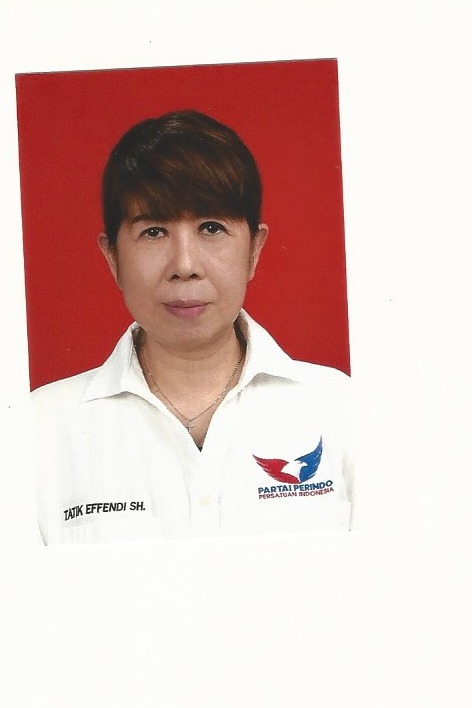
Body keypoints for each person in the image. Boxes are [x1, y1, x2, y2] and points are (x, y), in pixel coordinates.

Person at [32, 110, 353, 545]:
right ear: (112, 257)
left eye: (211, 227)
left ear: (254, 250)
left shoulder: (343, 410)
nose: (184, 265)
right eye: (153, 232)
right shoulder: (36, 430)